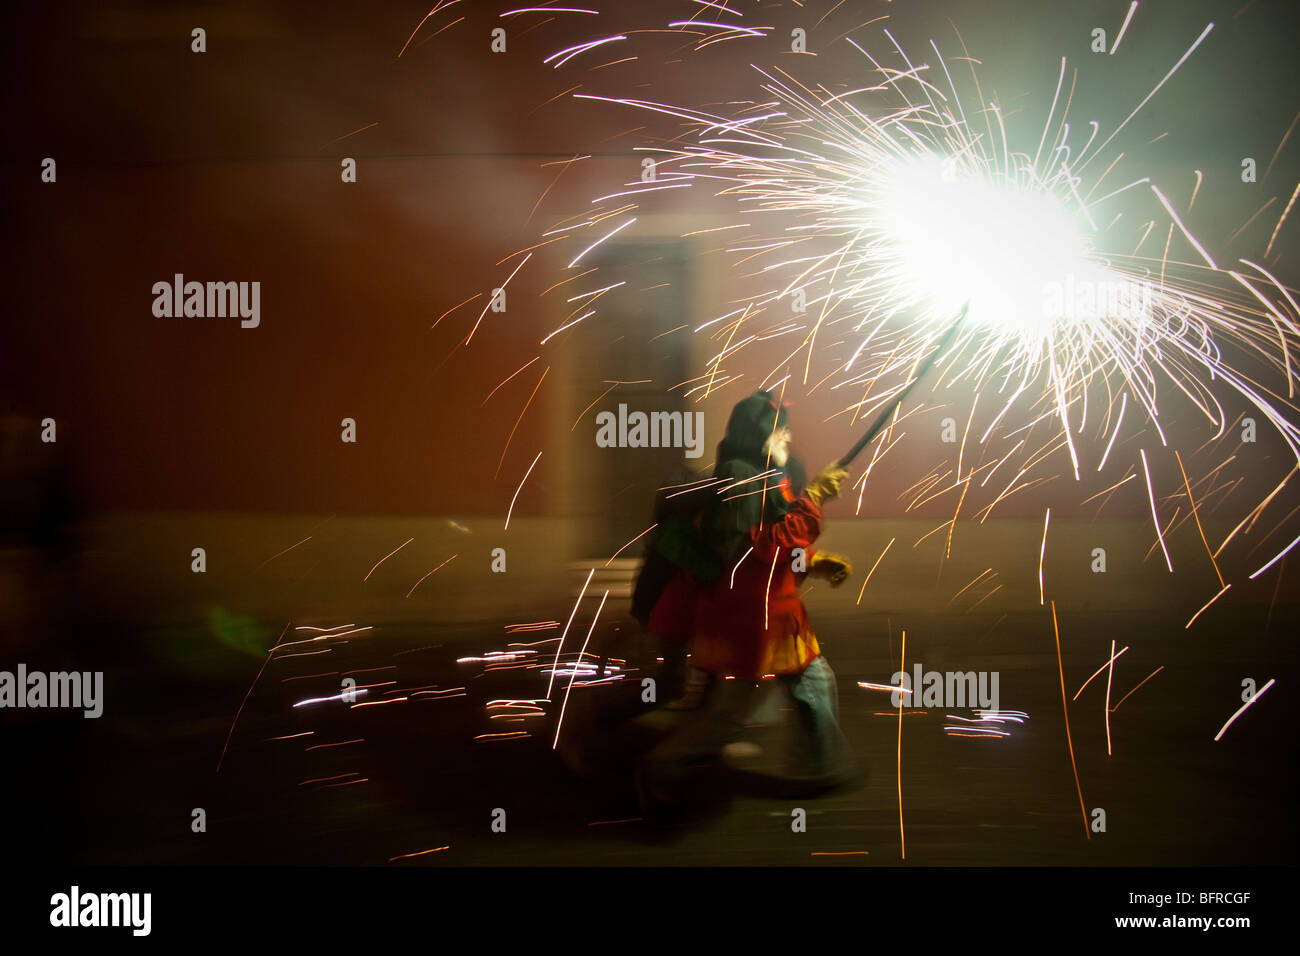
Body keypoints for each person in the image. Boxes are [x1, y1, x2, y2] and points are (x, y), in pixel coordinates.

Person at [636, 391, 858, 816]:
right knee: (736, 713)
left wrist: (813, 563)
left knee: (809, 685)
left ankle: (820, 767)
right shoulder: (742, 479)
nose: (788, 435)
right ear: (759, 435)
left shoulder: (764, 476)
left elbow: (771, 546)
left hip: (770, 613)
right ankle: (659, 768)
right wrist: (813, 498)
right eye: (780, 429)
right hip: (753, 618)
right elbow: (760, 548)